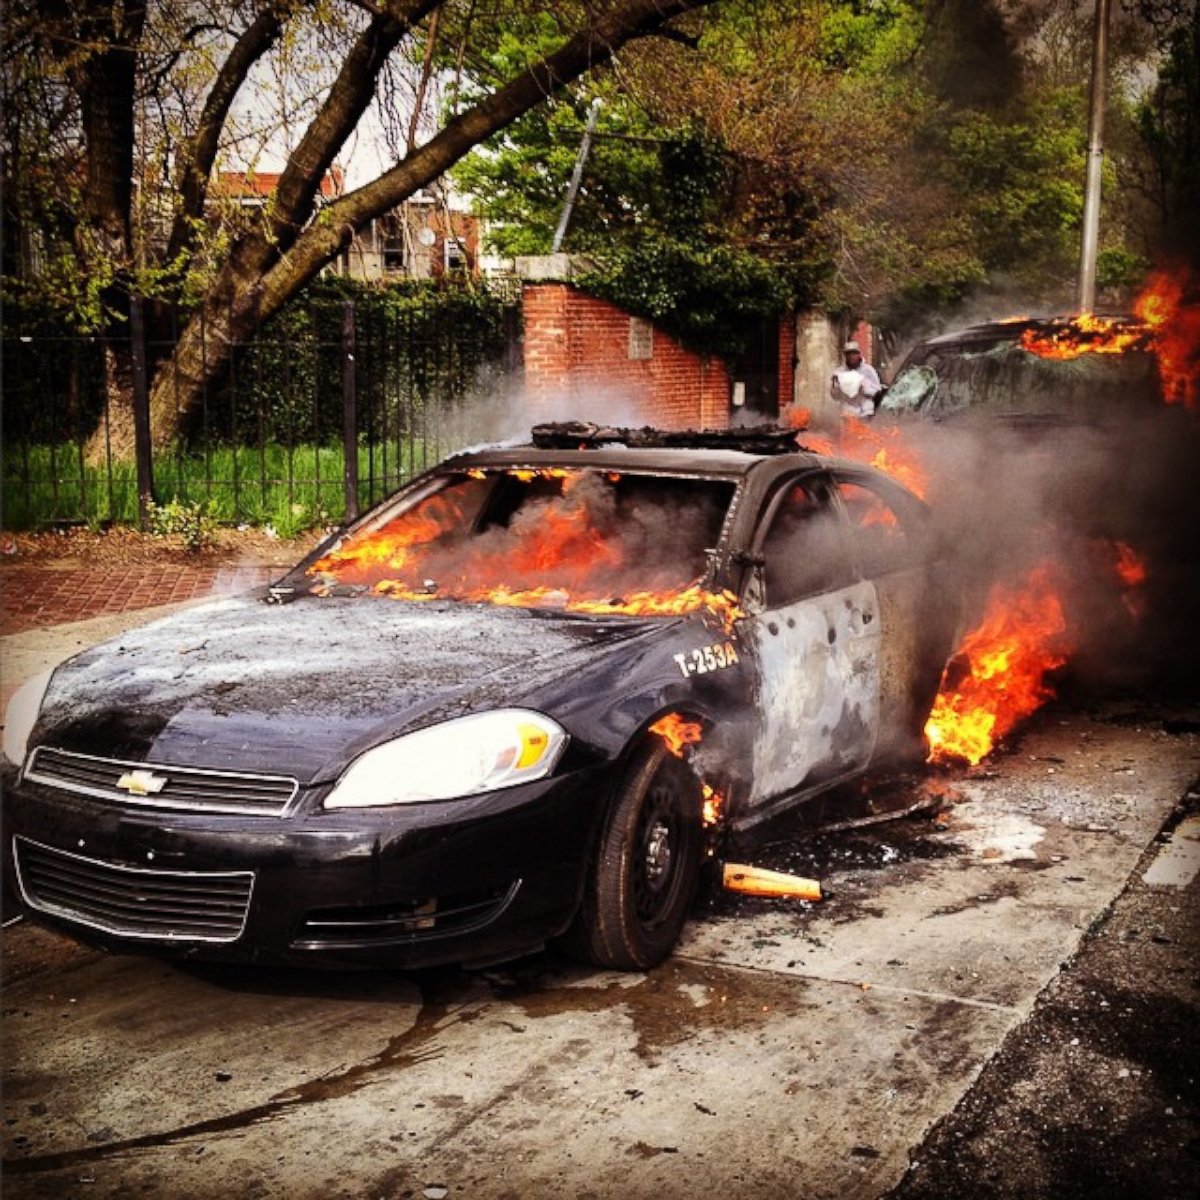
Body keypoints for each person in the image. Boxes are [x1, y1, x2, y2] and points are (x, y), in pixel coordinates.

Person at [830, 340, 882, 419]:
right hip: (847, 414)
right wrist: (836, 385)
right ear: (845, 355)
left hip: (866, 413)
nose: (851, 356)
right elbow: (835, 396)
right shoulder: (839, 372)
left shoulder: (868, 370)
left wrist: (864, 388)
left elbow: (877, 391)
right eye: (848, 353)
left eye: (854, 353)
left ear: (859, 354)